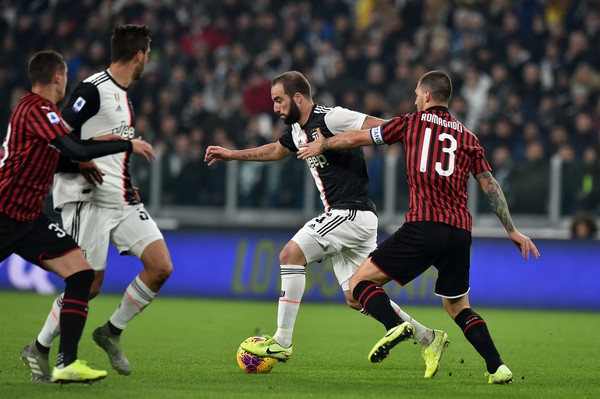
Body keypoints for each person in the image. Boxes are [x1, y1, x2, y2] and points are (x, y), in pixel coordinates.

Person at [298, 70, 540, 384]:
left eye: (416, 93)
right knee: (457, 307)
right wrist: (511, 230)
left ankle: (394, 326)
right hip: (459, 232)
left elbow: (360, 137)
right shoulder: (468, 137)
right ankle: (497, 367)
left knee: (359, 284)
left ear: (426, 95)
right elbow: (489, 184)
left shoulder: (411, 122)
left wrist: (325, 145)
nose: (414, 98)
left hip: (424, 225)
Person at [205, 71, 448, 378]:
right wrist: (233, 155)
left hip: (350, 212)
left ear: (297, 98)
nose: (275, 108)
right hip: (354, 219)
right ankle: (429, 337)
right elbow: (277, 150)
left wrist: (331, 143)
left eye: (279, 100)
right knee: (355, 295)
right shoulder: (296, 131)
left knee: (289, 255)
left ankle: (282, 341)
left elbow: (384, 128)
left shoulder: (332, 117)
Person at [21, 24, 173, 380]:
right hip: (86, 199)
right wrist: (78, 161)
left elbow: (112, 151)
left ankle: (111, 331)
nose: (146, 61)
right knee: (86, 284)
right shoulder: (92, 90)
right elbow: (59, 134)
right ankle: (40, 348)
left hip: (121, 198)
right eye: (147, 55)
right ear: (139, 55)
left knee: (161, 266)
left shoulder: (124, 96)